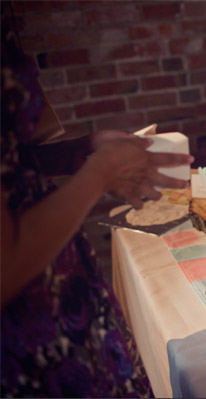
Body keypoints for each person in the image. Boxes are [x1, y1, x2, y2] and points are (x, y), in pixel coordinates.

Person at [1, 22, 193, 397]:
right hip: (26, 335)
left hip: (62, 295)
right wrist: (101, 172)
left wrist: (79, 151)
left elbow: (13, 162)